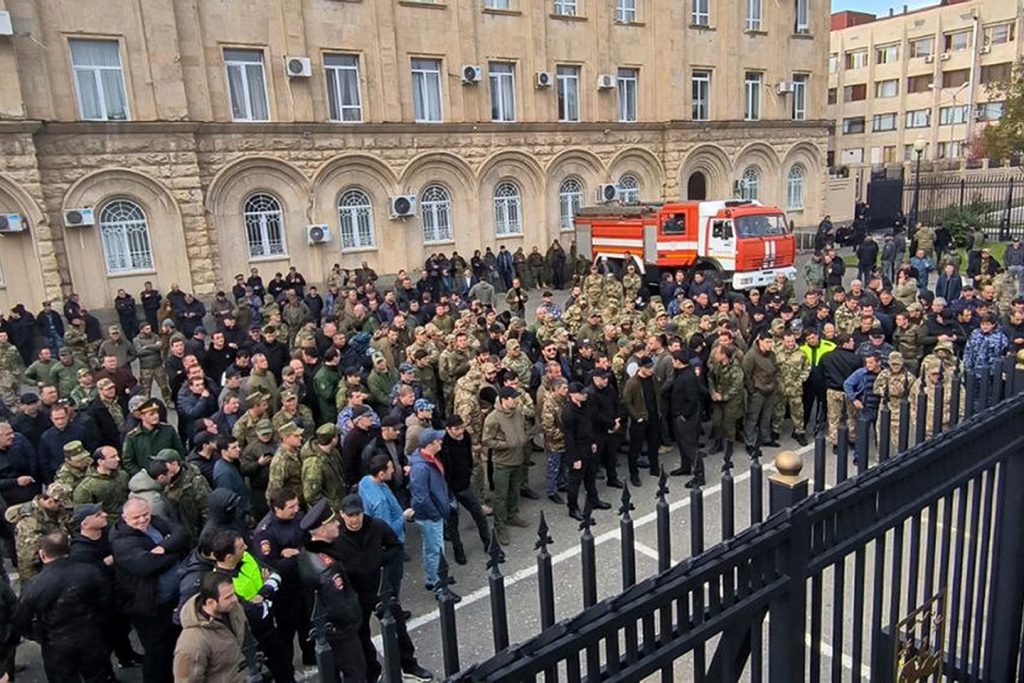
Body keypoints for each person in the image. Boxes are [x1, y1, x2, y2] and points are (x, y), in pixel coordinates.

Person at [12, 531, 115, 682]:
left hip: (56, 642)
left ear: (42, 554)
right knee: (98, 676)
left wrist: (36, 635)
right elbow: (107, 603)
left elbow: (20, 619)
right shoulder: (91, 572)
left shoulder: (35, 584)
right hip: (91, 636)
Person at [109, 498, 189, 683]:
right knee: (157, 653)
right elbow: (146, 566)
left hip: (172, 599)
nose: (142, 520)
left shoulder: (155, 521)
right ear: (124, 517)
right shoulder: (121, 542)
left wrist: (164, 547)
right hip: (148, 606)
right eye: (136, 517)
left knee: (174, 645)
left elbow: (181, 532)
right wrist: (175, 552)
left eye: (145, 514)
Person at [172, 572, 248, 681]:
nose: (235, 599)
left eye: (234, 593)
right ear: (211, 602)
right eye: (228, 597)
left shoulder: (234, 610)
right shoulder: (192, 643)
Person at [482, 386, 529, 545]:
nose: (516, 400)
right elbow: (487, 440)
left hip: (518, 458)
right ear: (504, 400)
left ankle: (512, 514)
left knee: (515, 490)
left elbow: (524, 428)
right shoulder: (493, 418)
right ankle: (500, 525)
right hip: (503, 462)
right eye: (513, 398)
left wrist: (522, 439)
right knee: (501, 496)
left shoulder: (517, 413)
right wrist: (506, 444)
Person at [408, 428, 451, 589]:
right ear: (430, 444)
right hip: (430, 515)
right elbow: (421, 497)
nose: (441, 442)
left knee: (431, 548)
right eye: (438, 440)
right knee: (436, 550)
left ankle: (433, 577)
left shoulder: (427, 460)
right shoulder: (422, 467)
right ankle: (438, 582)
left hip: (433, 512)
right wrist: (435, 514)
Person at [664, 349, 706, 487]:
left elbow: (693, 399)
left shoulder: (688, 377)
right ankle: (685, 466)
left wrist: (684, 415)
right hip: (677, 414)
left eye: (673, 360)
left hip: (686, 417)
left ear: (678, 362)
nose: (671, 363)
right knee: (682, 444)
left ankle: (699, 475)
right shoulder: (680, 373)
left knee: (690, 446)